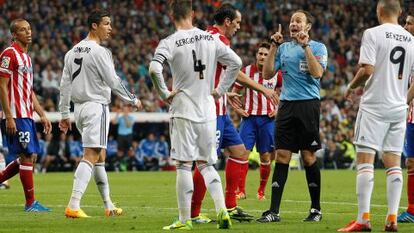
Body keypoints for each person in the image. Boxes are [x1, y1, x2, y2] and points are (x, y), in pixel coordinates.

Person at [149, 0, 242, 229]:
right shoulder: (210, 38)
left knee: (183, 165)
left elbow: (154, 68)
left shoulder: (168, 42)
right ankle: (222, 210)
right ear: (193, 13)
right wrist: (220, 91)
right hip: (209, 111)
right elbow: (236, 63)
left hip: (183, 110)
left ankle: (184, 221)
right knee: (207, 164)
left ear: (172, 16)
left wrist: (164, 93)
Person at [190, 3, 279, 223]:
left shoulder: (206, 36)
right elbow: (237, 72)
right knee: (205, 162)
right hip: (212, 111)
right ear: (227, 21)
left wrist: (224, 92)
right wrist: (264, 90)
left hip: (221, 108)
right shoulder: (217, 39)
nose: (239, 27)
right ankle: (193, 213)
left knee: (240, 153)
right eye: (237, 22)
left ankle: (230, 206)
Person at [338, 1, 414, 232]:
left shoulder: (372, 33)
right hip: (398, 107)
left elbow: (367, 69)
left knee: (365, 161)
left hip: (373, 106)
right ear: (400, 13)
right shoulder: (411, 40)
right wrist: (404, 100)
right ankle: (391, 218)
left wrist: (351, 87)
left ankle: (363, 219)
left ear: (379, 11)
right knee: (393, 162)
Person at [59, 9, 142, 218]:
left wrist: (64, 114)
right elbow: (113, 81)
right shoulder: (100, 52)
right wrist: (132, 99)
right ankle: (73, 204)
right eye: (106, 23)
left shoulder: (71, 52)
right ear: (94, 25)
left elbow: (64, 85)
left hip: (79, 110)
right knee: (91, 155)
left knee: (100, 156)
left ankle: (108, 205)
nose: (110, 28)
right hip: (96, 106)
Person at [257, 10, 328, 223]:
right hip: (286, 106)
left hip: (308, 106)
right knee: (282, 156)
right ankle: (274, 212)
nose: (293, 24)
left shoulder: (318, 47)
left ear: (307, 26)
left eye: (298, 21)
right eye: (291, 21)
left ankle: (316, 209)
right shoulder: (283, 48)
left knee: (308, 157)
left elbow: (317, 73)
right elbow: (266, 74)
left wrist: (305, 46)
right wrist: (273, 46)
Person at [0, 18, 52, 212]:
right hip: (16, 115)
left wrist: (42, 115)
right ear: (14, 34)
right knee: (27, 156)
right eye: (23, 30)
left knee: (28, 158)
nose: (28, 32)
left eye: (29, 28)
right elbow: (2, 86)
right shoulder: (9, 54)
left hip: (27, 115)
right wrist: (9, 116)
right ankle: (30, 204)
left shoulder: (27, 58)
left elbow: (29, 91)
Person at [232, 41, 282, 201]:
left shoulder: (276, 74)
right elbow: (234, 93)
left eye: (266, 54)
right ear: (256, 55)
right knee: (242, 154)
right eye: (260, 54)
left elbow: (286, 93)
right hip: (249, 120)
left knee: (265, 157)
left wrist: (278, 109)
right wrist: (238, 110)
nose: (262, 56)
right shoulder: (245, 72)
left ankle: (261, 191)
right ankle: (241, 191)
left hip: (268, 120)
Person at [398, 12, 414, 224]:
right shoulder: (407, 49)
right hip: (412, 115)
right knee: (411, 161)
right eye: (406, 22)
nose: (406, 25)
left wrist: (400, 103)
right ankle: (411, 210)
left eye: (410, 23)